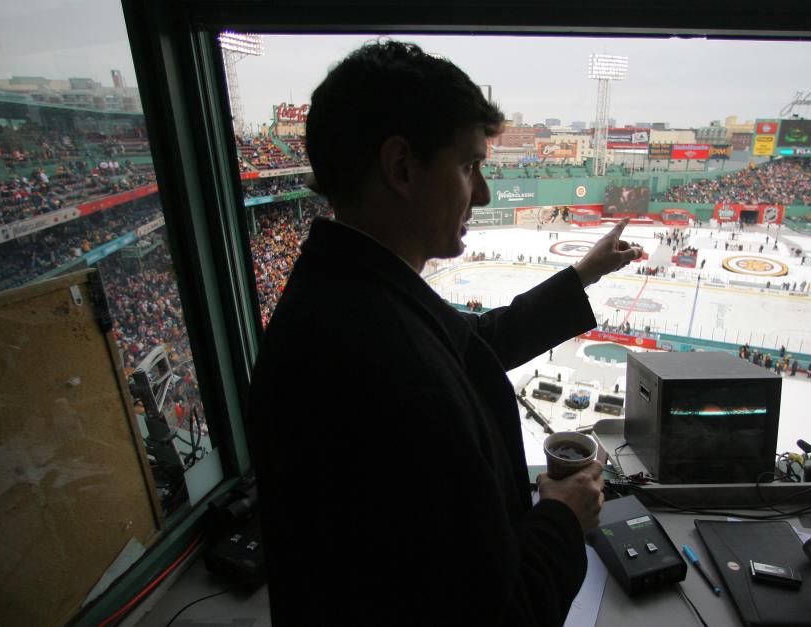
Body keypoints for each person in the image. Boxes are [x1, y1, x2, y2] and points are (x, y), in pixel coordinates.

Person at [247, 41, 643, 626]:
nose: (481, 193)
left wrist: (582, 274)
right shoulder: (391, 373)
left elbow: (472, 343)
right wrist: (561, 518)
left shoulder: (347, 293)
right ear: (401, 167)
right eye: (467, 166)